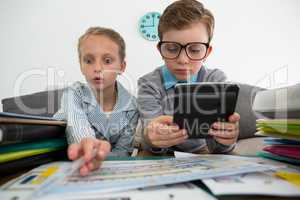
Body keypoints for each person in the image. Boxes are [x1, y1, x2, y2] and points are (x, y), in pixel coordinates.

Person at [137, 0, 240, 154]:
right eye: (172, 49)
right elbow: (149, 140)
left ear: (207, 52)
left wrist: (226, 140)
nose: (183, 60)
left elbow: (218, 149)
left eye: (195, 50)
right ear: (160, 50)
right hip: (161, 154)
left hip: (199, 151)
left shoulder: (216, 80)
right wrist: (151, 138)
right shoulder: (148, 84)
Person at [54, 27, 139, 176]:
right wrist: (89, 147)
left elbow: (122, 153)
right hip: (63, 159)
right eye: (88, 61)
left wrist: (99, 160)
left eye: (107, 61)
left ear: (122, 67)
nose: (98, 68)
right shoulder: (74, 93)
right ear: (81, 65)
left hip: (99, 170)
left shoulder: (133, 106)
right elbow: (78, 128)